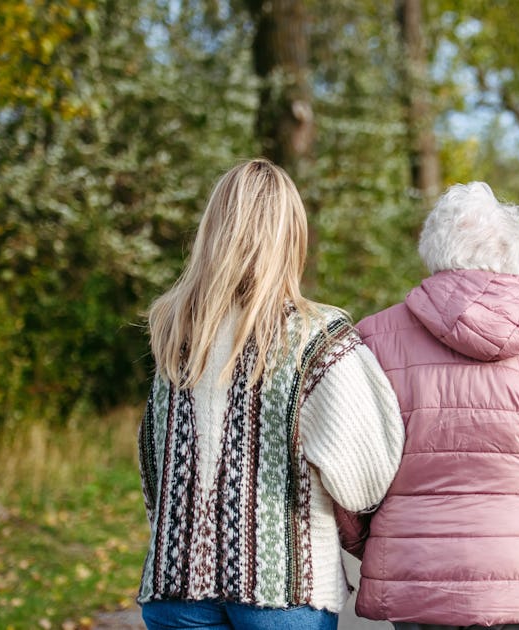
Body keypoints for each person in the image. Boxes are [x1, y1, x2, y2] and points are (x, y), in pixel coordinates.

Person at [339, 182, 519, 630]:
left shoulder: (373, 341)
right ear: (517, 256)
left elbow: (345, 465)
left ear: (432, 250)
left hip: (418, 576)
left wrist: (378, 544)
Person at [135, 159, 405, 630]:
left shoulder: (175, 333)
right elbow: (366, 478)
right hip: (282, 590)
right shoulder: (317, 337)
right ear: (289, 236)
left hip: (174, 587)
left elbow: (151, 460)